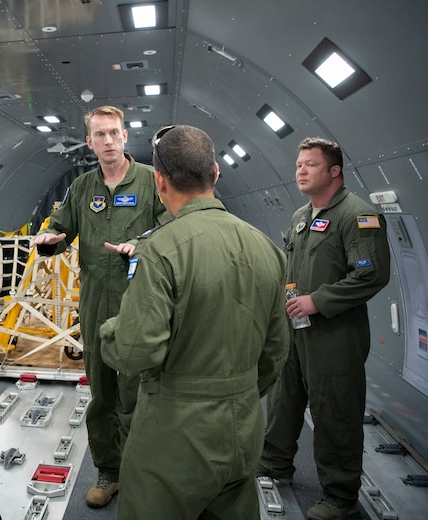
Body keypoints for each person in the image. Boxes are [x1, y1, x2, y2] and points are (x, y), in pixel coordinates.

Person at [99, 124, 289, 519]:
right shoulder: (267, 248)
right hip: (243, 427)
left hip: (174, 435)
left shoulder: (161, 250)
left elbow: (135, 352)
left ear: (159, 181)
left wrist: (109, 330)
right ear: (216, 173)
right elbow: (275, 352)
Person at [29, 105, 168, 508]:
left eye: (114, 133)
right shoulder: (82, 187)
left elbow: (171, 229)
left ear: (126, 136)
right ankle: (109, 472)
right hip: (94, 307)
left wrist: (140, 247)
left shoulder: (151, 182)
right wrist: (51, 238)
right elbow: (61, 224)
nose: (107, 141)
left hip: (139, 304)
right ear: (89, 142)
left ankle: (144, 473)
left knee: (141, 394)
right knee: (103, 397)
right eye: (99, 135)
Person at [257, 137, 391, 520]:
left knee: (335, 411)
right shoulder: (302, 216)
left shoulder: (358, 215)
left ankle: (340, 496)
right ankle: (275, 463)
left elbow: (371, 275)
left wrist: (318, 301)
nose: (300, 170)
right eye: (299, 164)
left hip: (335, 334)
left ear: (334, 171)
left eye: (310, 165)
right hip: (296, 328)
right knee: (284, 399)